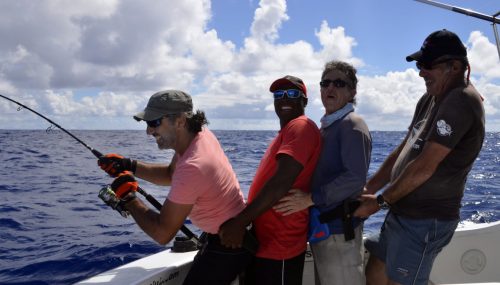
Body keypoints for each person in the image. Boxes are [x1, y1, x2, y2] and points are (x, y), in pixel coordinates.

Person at [354, 29, 485, 285]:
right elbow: (405, 148)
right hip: (400, 212)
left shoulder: (460, 100)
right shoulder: (431, 98)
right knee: (374, 276)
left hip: (425, 221)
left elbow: (425, 166)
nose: (420, 72)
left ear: (455, 66)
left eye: (427, 65)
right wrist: (370, 187)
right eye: (419, 65)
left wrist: (379, 202)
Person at [97, 90, 253, 285]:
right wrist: (130, 165)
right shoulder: (198, 135)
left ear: (180, 121)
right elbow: (171, 175)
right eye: (147, 123)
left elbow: (162, 233)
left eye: (154, 123)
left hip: (229, 244)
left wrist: (129, 199)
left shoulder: (194, 166)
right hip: (228, 234)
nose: (149, 131)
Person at [273, 60, 372, 285]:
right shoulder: (328, 126)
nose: (330, 88)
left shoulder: (352, 125)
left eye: (339, 83)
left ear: (352, 90)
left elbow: (354, 179)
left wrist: (310, 198)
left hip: (339, 231)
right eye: (325, 83)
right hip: (324, 229)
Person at [218, 75, 322, 285]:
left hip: (281, 244)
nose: (284, 99)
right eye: (278, 94)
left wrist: (240, 223)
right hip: (265, 243)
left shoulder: (300, 127)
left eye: (292, 94)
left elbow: (280, 183)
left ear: (305, 101)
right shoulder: (286, 132)